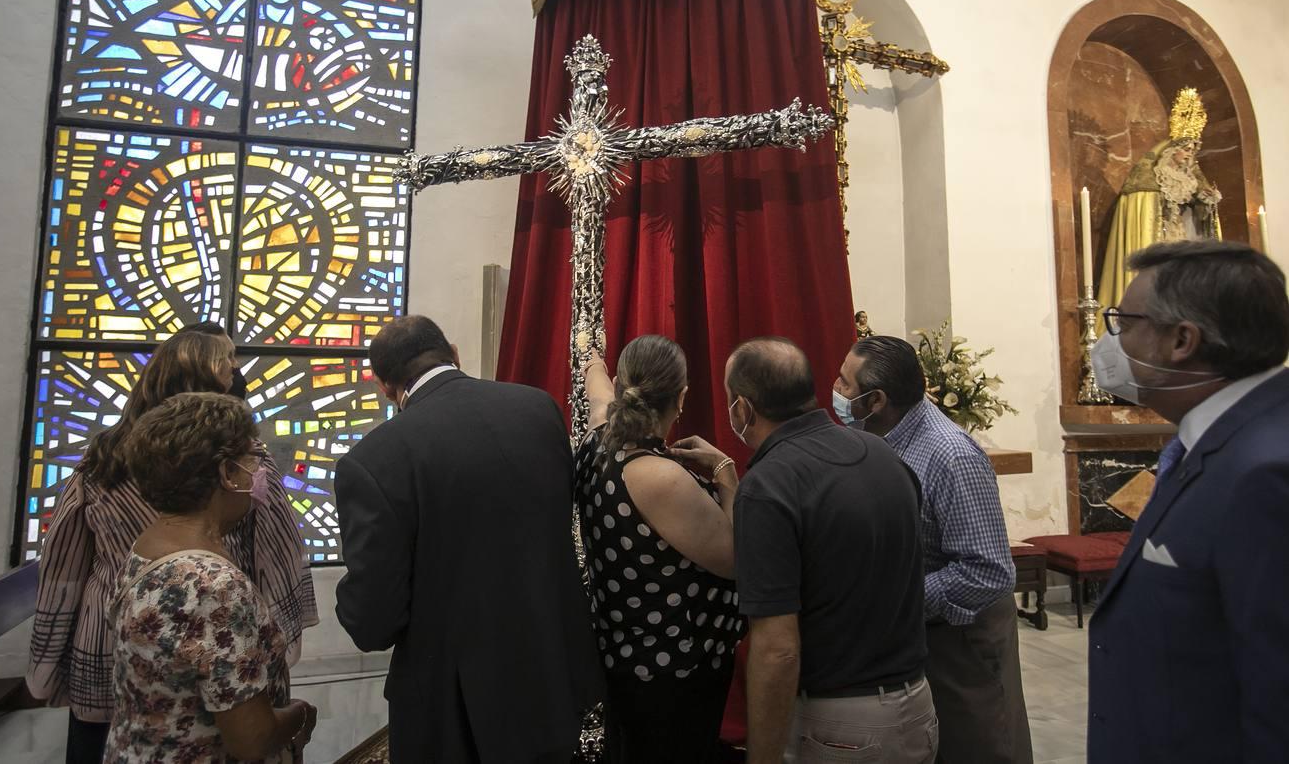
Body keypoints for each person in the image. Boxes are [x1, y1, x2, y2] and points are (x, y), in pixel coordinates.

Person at [27, 330, 316, 764]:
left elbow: (64, 563)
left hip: (115, 639)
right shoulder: (236, 468)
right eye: (228, 366)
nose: (236, 375)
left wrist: (47, 653)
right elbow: (273, 553)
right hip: (213, 633)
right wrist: (276, 645)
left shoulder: (106, 458)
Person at [334, 315, 603, 764]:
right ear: (453, 353)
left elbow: (373, 621)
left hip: (455, 706)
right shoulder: (538, 409)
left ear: (385, 386)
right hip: (552, 671)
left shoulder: (372, 461)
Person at [681, 337, 933, 764]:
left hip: (841, 725)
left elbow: (778, 649)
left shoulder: (769, 486)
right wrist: (727, 473)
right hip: (916, 705)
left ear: (742, 409)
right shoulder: (881, 452)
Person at [1088, 240, 1289, 763]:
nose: (1109, 341)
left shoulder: (1266, 470)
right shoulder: (1215, 440)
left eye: (1123, 321)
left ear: (1180, 340)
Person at [833, 336, 1030, 764]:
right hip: (921, 632)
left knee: (976, 744)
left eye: (845, 384)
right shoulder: (882, 435)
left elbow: (988, 571)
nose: (836, 389)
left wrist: (897, 601)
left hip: (961, 638)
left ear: (877, 399)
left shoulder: (951, 456)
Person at [107, 392, 317, 762]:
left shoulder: (150, 545)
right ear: (227, 474)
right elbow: (251, 740)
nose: (260, 470)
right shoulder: (213, 585)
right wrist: (299, 714)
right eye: (252, 458)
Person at [576, 335, 744, 764]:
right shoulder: (660, 477)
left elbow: (597, 390)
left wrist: (587, 353)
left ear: (620, 384)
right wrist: (725, 473)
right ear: (682, 398)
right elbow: (737, 561)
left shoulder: (598, 441)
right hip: (671, 672)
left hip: (622, 660)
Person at [1097, 87, 1221, 311]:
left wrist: (1205, 200)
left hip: (1184, 235)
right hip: (1159, 236)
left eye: (1193, 151)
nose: (1189, 154)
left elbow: (1201, 209)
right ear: (1172, 151)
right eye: (1186, 149)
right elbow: (1146, 206)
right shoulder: (1151, 176)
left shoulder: (1191, 178)